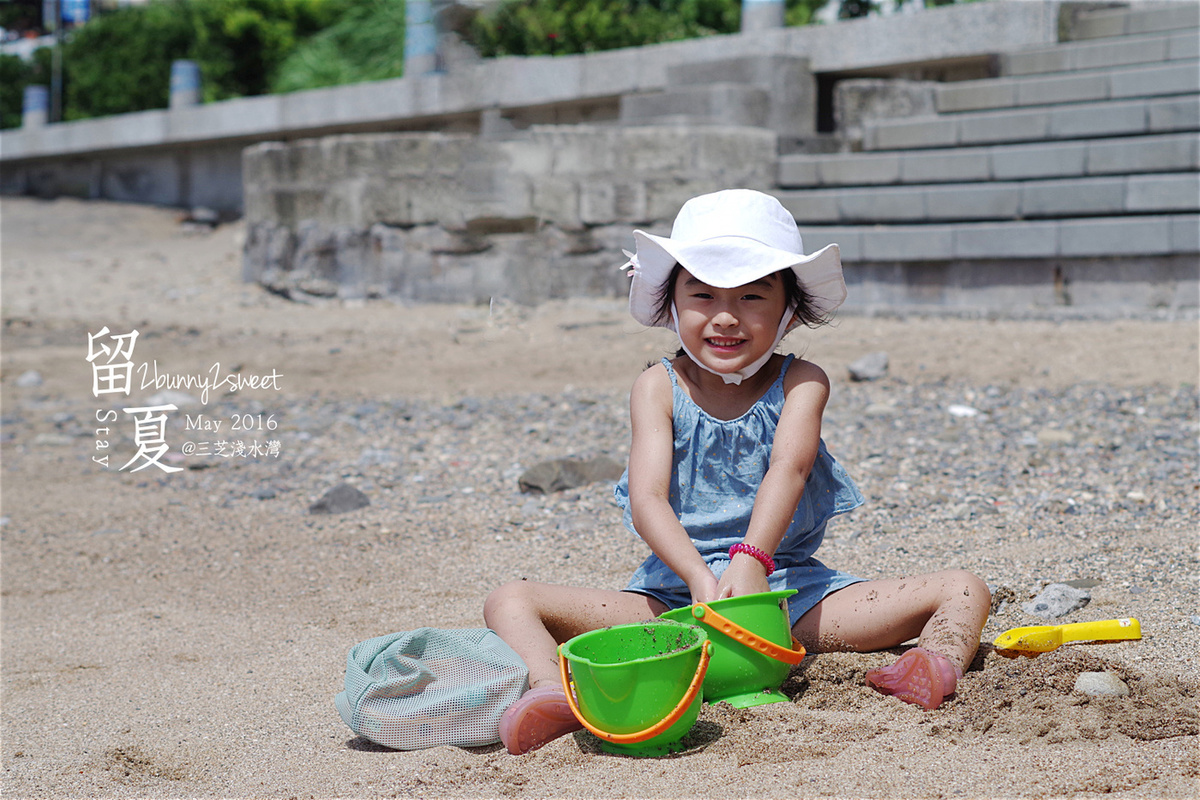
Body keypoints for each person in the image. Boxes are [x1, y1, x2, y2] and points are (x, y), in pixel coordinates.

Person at [484, 189, 991, 755]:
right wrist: (702, 581)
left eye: (753, 296)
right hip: (673, 602)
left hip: (783, 597)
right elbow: (647, 497)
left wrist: (751, 563)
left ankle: (935, 663)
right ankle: (551, 689)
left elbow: (789, 469)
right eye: (702, 294)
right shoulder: (658, 385)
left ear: (789, 311)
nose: (726, 315)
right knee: (510, 598)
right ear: (671, 303)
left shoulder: (803, 381)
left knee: (963, 587)